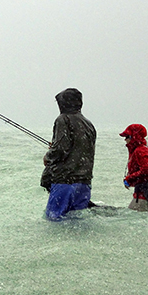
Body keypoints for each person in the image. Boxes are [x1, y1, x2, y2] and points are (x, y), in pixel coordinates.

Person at [41, 88, 97, 221]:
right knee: (78, 221)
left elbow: (60, 149)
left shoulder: (63, 119)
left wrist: (48, 156)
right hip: (84, 183)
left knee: (54, 221)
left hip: (65, 181)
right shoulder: (88, 124)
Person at [120, 123, 148, 212]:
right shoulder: (144, 150)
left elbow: (147, 170)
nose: (125, 140)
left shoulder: (140, 151)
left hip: (142, 197)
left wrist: (129, 179)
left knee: (131, 221)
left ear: (133, 137)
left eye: (127, 137)